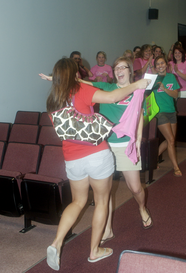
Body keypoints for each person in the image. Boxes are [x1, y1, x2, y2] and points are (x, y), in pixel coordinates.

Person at [43, 58, 150, 270]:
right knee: (102, 201)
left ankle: (56, 243)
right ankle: (94, 251)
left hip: (72, 158)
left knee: (77, 202)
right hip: (96, 154)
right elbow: (111, 97)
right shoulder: (80, 88)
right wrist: (137, 85)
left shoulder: (53, 98)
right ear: (74, 74)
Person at [81, 56, 153, 245]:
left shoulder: (137, 91)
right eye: (116, 68)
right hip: (105, 145)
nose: (119, 70)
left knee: (136, 188)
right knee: (105, 190)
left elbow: (139, 117)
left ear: (130, 70)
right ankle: (107, 229)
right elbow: (82, 82)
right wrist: (58, 78)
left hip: (126, 145)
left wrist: (137, 140)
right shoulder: (106, 88)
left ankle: (142, 208)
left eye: (123, 67)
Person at [152, 56, 182, 176]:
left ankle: (153, 158)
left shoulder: (171, 77)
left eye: (162, 63)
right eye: (158, 64)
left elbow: (175, 95)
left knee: (171, 140)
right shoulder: (153, 80)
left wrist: (164, 89)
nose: (160, 66)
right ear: (155, 67)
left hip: (172, 111)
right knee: (170, 140)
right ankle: (176, 167)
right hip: (160, 113)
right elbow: (145, 95)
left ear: (166, 65)